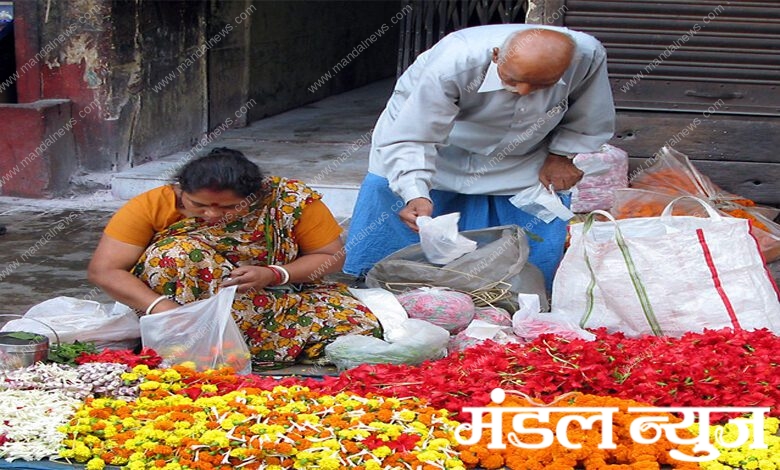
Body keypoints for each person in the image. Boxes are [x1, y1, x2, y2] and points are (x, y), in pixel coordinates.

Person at [344, 24, 615, 291]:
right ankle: (385, 286)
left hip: (526, 146)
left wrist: (562, 155)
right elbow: (416, 135)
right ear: (496, 55)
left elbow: (590, 110)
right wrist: (415, 193)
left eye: (541, 86)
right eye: (512, 80)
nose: (523, 92)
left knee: (538, 206)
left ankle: (517, 290)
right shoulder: (454, 62)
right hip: (441, 138)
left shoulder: (587, 56)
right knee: (395, 188)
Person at [88, 147, 381, 367]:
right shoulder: (154, 204)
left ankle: (228, 343)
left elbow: (330, 257)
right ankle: (194, 341)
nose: (212, 214)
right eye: (199, 205)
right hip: (179, 309)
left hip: (268, 298)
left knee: (359, 327)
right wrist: (162, 308)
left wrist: (274, 273)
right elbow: (106, 270)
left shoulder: (288, 201)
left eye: (229, 208)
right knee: (177, 252)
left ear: (256, 197)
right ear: (180, 191)